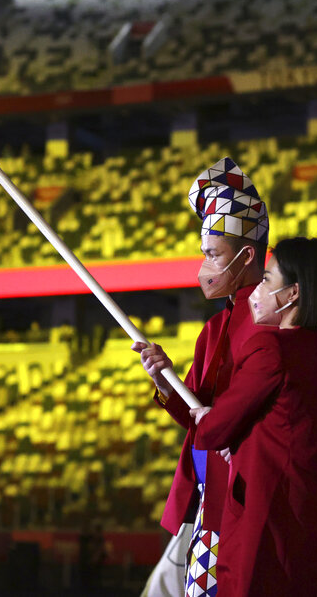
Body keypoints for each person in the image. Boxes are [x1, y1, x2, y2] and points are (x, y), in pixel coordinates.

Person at [189, 237, 317, 596]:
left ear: (292, 294)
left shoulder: (269, 347)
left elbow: (212, 431)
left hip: (271, 541)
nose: (257, 288)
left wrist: (204, 417)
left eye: (267, 279)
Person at [134, 157, 270, 597]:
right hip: (204, 504)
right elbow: (198, 416)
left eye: (213, 254)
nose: (204, 266)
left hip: (240, 503)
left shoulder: (272, 326)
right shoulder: (213, 328)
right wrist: (164, 380)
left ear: (247, 254)